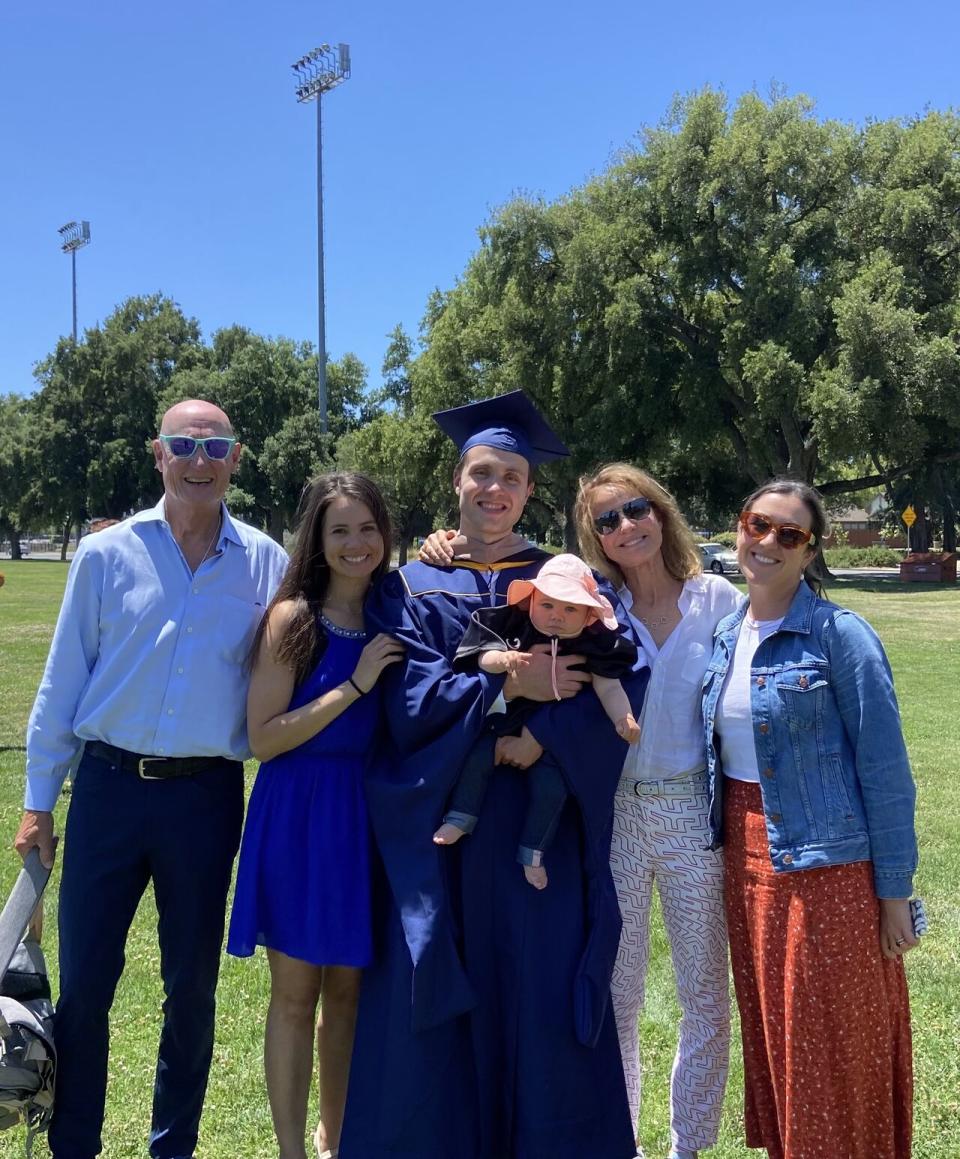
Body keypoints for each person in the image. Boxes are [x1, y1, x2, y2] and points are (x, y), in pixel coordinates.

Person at [339, 391, 647, 1159]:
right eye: (481, 473)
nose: (494, 489)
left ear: (529, 490)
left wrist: (545, 735)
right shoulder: (411, 584)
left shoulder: (565, 579)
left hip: (539, 835)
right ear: (457, 480)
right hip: (446, 830)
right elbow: (407, 700)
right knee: (439, 1002)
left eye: (510, 475)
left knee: (537, 996)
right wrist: (506, 687)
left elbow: (626, 669)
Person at [13, 400, 288, 1159]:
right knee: (86, 988)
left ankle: (174, 1146)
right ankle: (75, 1144)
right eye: (184, 444)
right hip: (106, 791)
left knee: (191, 989)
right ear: (158, 453)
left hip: (205, 798)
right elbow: (61, 685)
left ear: (236, 457)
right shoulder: (106, 556)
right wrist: (38, 802)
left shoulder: (265, 562)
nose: (200, 458)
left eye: (215, 445)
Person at [702, 479, 918, 1159]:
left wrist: (895, 892)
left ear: (809, 549)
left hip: (827, 866)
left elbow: (885, 771)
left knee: (834, 1036)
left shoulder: (840, 636)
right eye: (756, 524)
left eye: (787, 534)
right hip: (745, 854)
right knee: (779, 1031)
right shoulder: (724, 633)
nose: (766, 541)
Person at [227, 473, 403, 1159]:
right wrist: (354, 683)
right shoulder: (292, 618)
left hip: (361, 818)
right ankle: (292, 1150)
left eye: (367, 528)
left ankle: (340, 1136)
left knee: (350, 992)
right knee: (296, 995)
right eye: (340, 530)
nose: (356, 543)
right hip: (298, 814)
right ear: (318, 541)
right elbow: (264, 737)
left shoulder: (393, 611)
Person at [574, 465, 740, 1159]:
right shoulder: (592, 607)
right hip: (616, 815)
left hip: (691, 811)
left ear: (660, 512)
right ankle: (623, 1143)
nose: (625, 527)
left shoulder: (717, 598)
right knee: (619, 993)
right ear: (597, 539)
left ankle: (687, 1147)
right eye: (607, 521)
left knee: (704, 992)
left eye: (634, 509)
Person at [435, 552, 640, 889]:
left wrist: (624, 718)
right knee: (476, 758)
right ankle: (460, 817)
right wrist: (502, 659)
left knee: (552, 789)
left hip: (552, 739)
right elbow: (478, 656)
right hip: (502, 720)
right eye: (547, 605)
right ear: (531, 599)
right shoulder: (513, 623)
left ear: (589, 615)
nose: (557, 616)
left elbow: (609, 684)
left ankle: (533, 851)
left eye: (570, 608)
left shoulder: (594, 642)